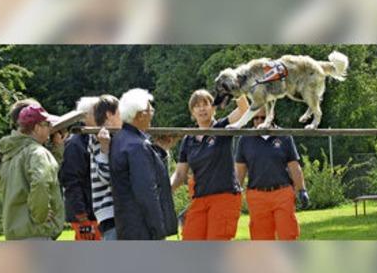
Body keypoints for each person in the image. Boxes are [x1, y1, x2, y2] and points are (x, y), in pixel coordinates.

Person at [171, 90, 249, 240]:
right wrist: (167, 189)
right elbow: (180, 174)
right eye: (197, 106)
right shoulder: (188, 139)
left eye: (205, 104)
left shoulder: (222, 127)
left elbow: (244, 110)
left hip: (224, 196)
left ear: (213, 108)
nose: (201, 109)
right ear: (192, 112)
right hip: (199, 199)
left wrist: (235, 88)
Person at [109, 89, 177, 240]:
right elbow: (146, 191)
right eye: (149, 109)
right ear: (140, 115)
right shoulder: (137, 145)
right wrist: (158, 229)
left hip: (126, 224)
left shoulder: (120, 139)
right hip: (142, 228)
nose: (152, 112)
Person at [235, 108, 310, 240]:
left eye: (263, 118)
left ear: (271, 115)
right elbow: (239, 171)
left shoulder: (284, 136)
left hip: (282, 193)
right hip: (257, 196)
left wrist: (302, 190)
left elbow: (294, 166)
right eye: (255, 118)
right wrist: (234, 194)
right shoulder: (245, 139)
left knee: (288, 235)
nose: (259, 121)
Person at [0, 105, 65, 240]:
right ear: (37, 127)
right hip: (35, 233)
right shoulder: (37, 152)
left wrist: (57, 149)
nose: (51, 129)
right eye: (48, 125)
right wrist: (40, 215)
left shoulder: (6, 156)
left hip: (14, 235)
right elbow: (40, 181)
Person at [60, 97, 102, 241]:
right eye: (97, 112)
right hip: (86, 215)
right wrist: (81, 214)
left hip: (98, 212)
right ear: (85, 116)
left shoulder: (97, 138)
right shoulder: (75, 143)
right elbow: (71, 180)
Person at [89, 95, 122, 240]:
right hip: (109, 211)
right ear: (109, 115)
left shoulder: (113, 137)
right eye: (120, 113)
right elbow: (105, 176)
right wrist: (104, 148)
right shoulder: (99, 138)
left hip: (116, 211)